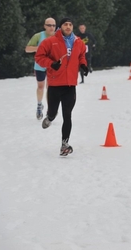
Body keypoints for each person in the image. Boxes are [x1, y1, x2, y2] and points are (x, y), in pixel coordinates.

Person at [35, 17, 88, 156]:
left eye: (70, 24)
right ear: (60, 27)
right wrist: (51, 63)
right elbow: (39, 57)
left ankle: (64, 144)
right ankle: (50, 117)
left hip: (70, 85)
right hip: (55, 84)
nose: (68, 27)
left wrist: (83, 65)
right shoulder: (50, 42)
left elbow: (81, 55)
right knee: (53, 112)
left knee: (67, 115)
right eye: (65, 24)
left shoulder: (78, 42)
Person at [25, 17, 56, 120]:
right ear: (44, 26)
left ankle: (50, 109)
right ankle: (39, 105)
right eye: (49, 25)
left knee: (50, 87)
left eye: (53, 25)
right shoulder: (38, 36)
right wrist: (39, 48)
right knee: (41, 87)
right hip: (40, 65)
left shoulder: (58, 37)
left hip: (52, 66)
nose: (52, 28)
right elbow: (27, 49)